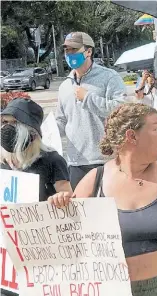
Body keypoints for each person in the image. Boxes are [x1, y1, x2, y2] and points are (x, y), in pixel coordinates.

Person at [49, 103, 157, 296]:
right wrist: (60, 205)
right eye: (156, 128)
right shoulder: (95, 180)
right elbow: (66, 239)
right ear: (132, 136)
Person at [1, 98, 72, 296]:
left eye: (13, 123)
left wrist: (61, 200)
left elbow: (69, 198)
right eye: (4, 122)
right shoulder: (3, 162)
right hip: (8, 253)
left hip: (41, 248)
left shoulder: (51, 160)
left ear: (30, 131)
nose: (6, 128)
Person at [55, 31, 126, 189]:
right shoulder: (64, 86)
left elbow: (122, 110)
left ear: (89, 51)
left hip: (106, 160)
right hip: (76, 162)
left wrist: (88, 98)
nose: (70, 54)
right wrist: (42, 134)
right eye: (67, 51)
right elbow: (61, 120)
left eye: (74, 50)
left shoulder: (109, 77)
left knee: (110, 211)